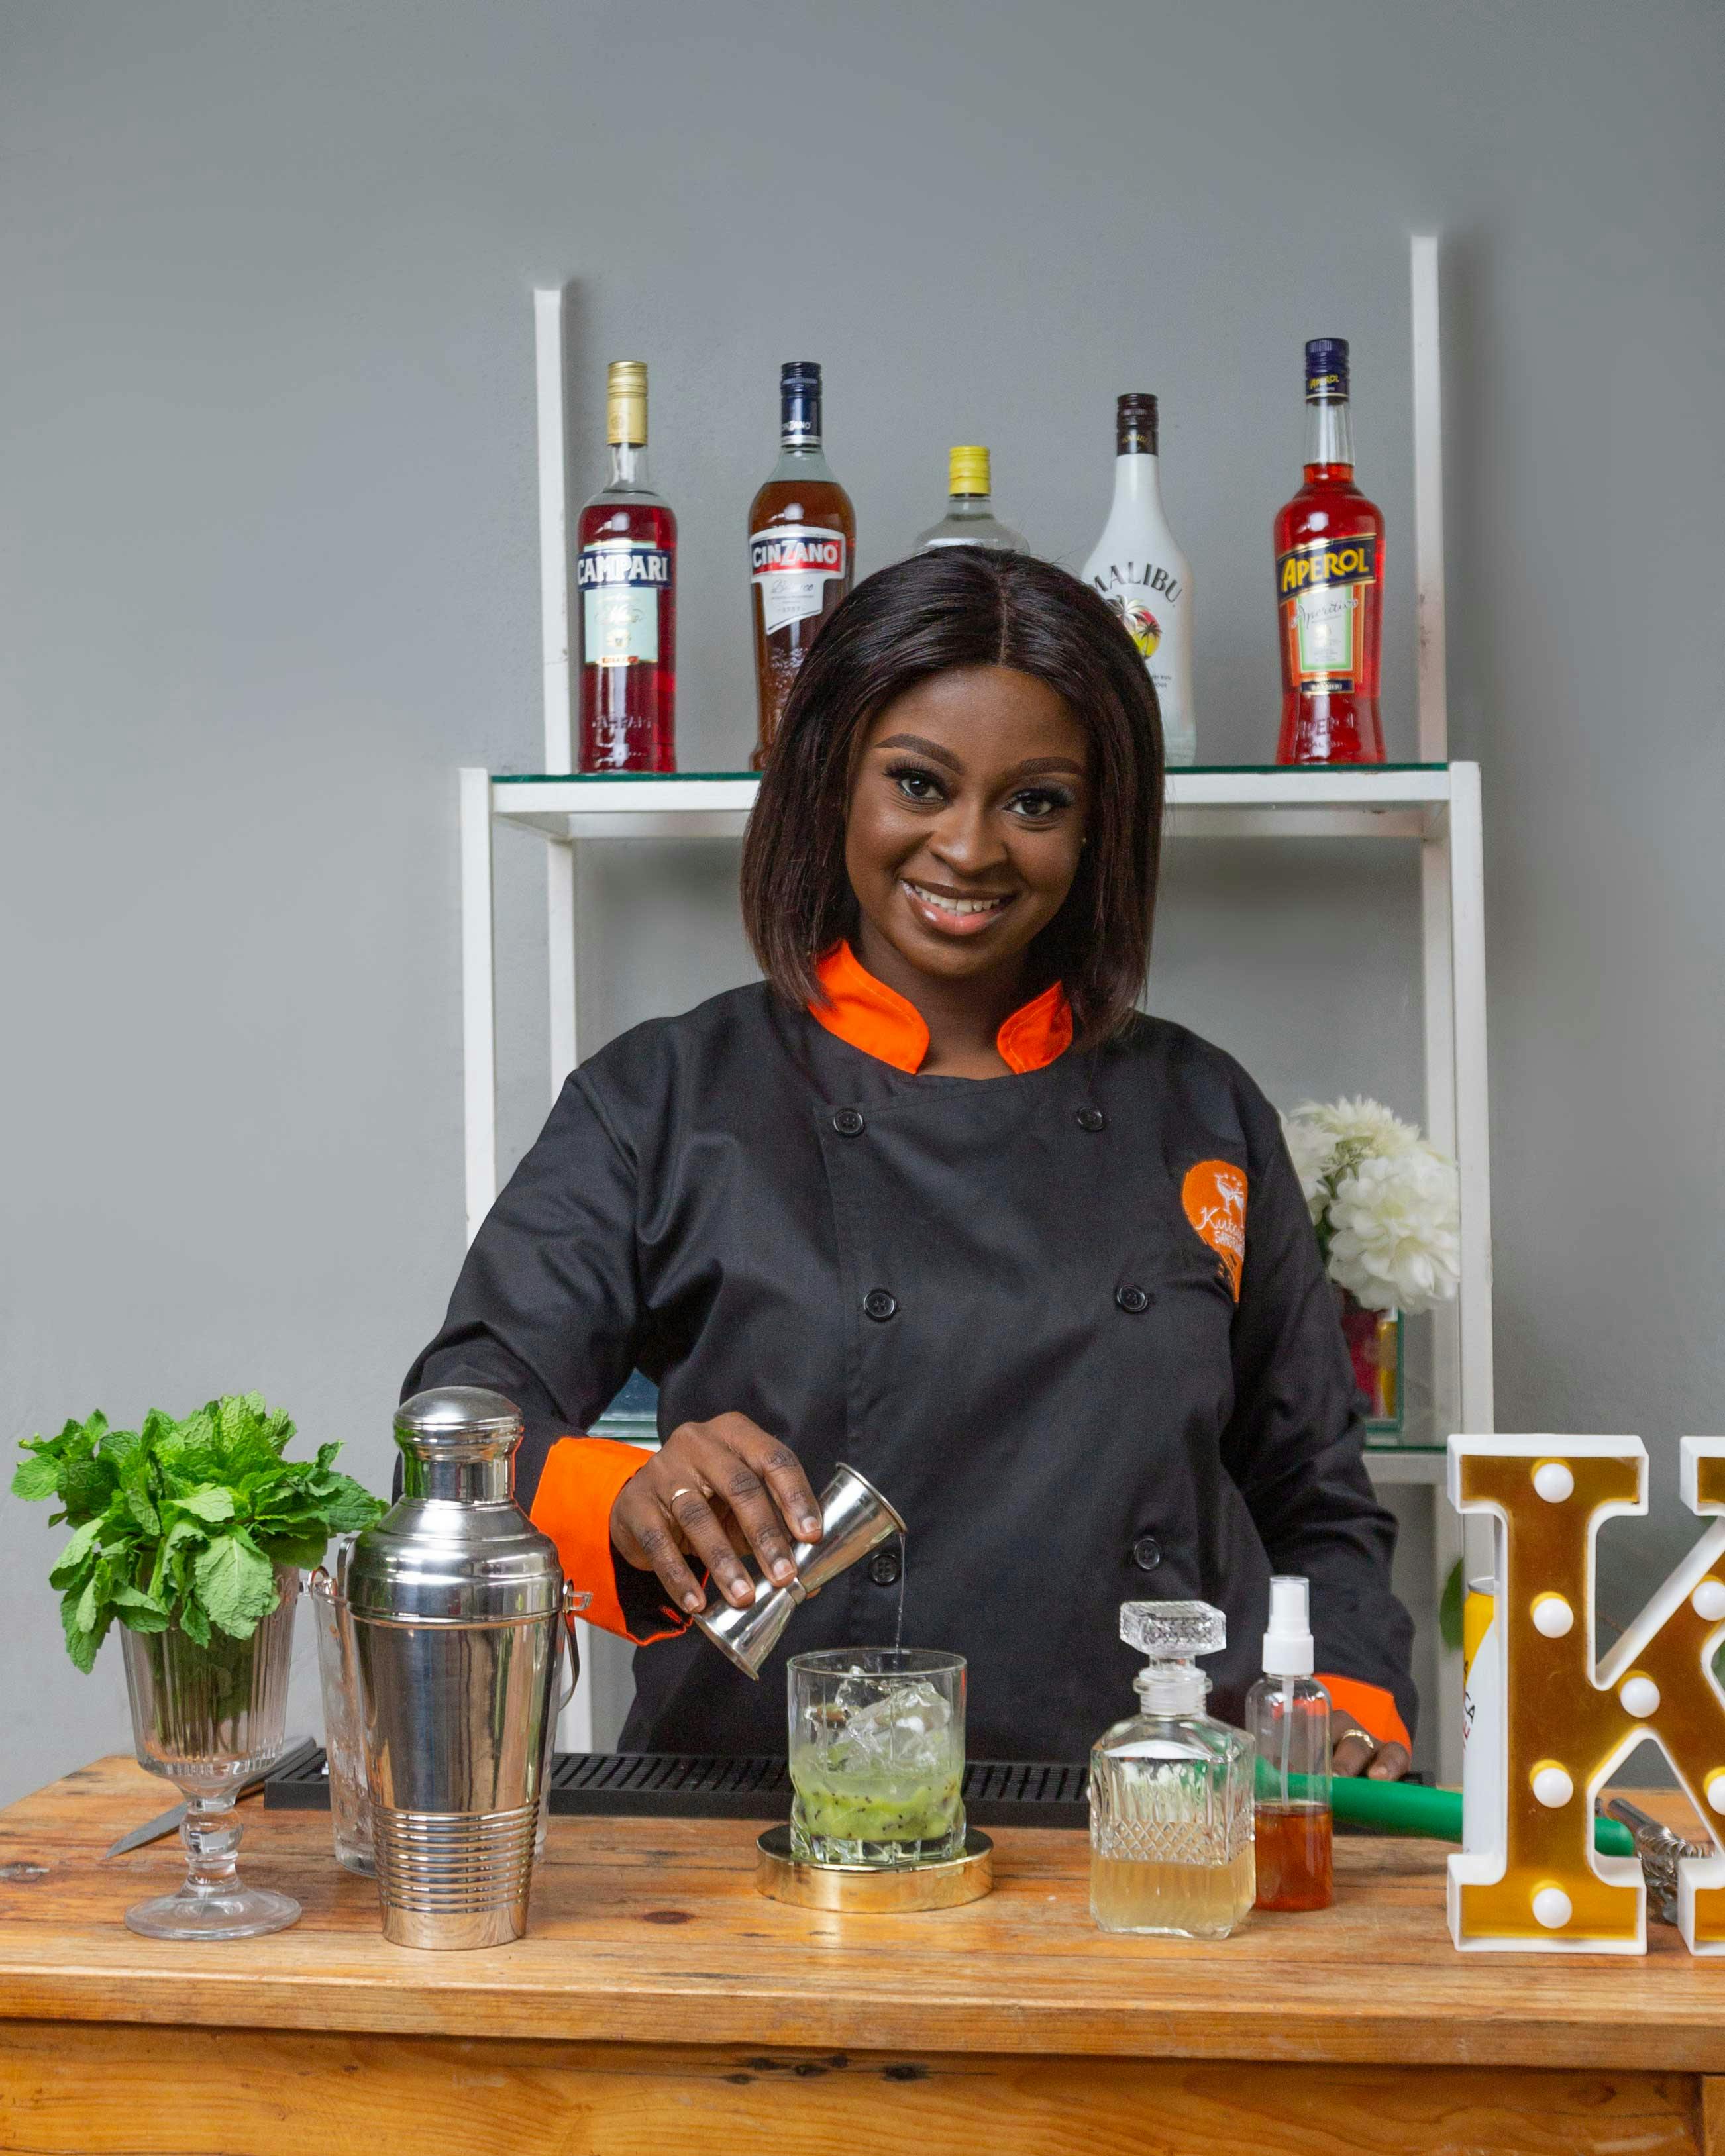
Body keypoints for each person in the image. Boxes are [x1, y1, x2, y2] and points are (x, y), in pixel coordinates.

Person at [406, 547, 1416, 1777]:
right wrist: (625, 1497)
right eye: (920, 784)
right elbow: (459, 1431)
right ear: (834, 783)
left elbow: (1312, 1491)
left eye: (1037, 801)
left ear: (1100, 829)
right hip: (764, 1820)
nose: (972, 848)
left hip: (1148, 1822)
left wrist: (1350, 1705)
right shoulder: (668, 1097)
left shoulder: (1199, 1109)